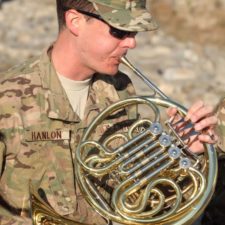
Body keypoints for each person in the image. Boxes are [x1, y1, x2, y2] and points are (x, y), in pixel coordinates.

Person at [0, 0, 218, 224]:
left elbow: (134, 193)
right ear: (75, 22)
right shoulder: (8, 99)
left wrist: (182, 149)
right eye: (119, 31)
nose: (131, 43)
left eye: (133, 32)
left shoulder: (120, 90)